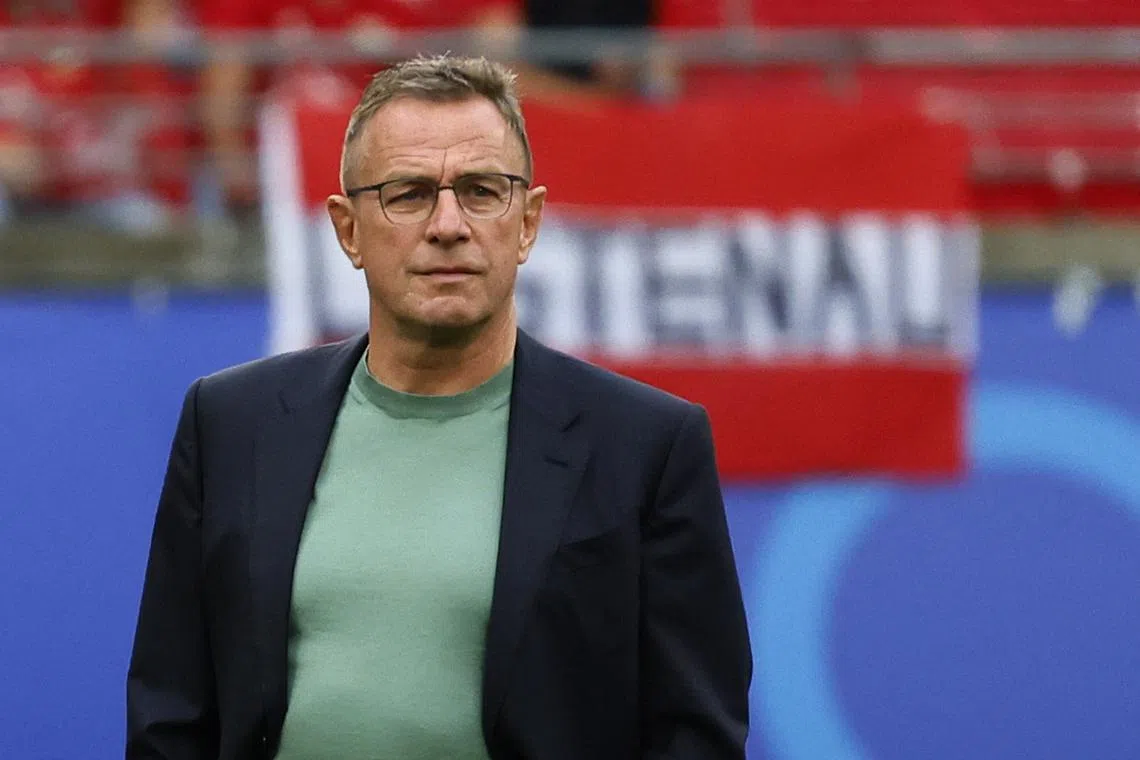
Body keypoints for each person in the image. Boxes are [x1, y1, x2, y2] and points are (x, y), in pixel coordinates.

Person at [126, 54, 751, 759]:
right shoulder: (231, 424)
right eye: (409, 193)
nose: (448, 224)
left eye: (482, 191)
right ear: (347, 229)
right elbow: (170, 717)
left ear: (528, 222)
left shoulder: (646, 446)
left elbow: (695, 735)